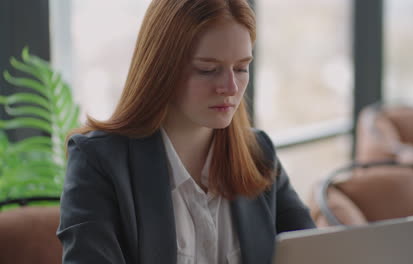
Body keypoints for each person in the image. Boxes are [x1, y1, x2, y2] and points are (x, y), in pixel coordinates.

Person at [57, 0, 315, 263]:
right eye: (208, 69)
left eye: (241, 68)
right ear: (162, 67)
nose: (231, 87)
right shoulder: (99, 162)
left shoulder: (259, 154)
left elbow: (318, 253)